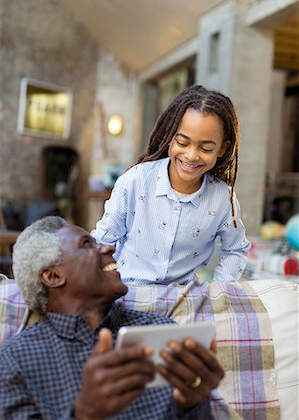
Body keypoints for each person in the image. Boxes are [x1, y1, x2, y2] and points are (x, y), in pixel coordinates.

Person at [0, 216, 224, 420]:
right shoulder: (14, 360)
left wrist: (192, 403)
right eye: (87, 244)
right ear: (54, 276)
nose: (109, 247)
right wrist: (84, 414)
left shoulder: (161, 331)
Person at [91, 85, 250, 284]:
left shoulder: (223, 199)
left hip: (183, 300)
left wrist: (217, 292)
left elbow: (235, 249)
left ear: (222, 148)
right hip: (127, 293)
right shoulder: (135, 181)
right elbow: (103, 241)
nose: (191, 156)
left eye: (206, 148)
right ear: (169, 137)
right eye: (183, 143)